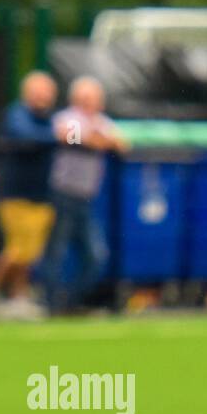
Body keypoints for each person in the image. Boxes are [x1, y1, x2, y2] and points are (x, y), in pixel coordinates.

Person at [0, 70, 57, 319]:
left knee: (31, 252)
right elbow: (27, 137)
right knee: (19, 248)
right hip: (16, 194)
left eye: (47, 92)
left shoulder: (51, 118)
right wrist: (58, 135)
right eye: (38, 91)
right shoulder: (17, 115)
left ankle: (18, 298)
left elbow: (71, 137)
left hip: (42, 195)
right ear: (26, 93)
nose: (43, 97)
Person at [43, 76, 128, 313]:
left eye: (93, 98)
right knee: (56, 251)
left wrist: (98, 139)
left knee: (95, 255)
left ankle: (71, 301)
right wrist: (95, 140)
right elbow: (69, 136)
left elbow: (121, 144)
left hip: (88, 198)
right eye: (84, 98)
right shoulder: (67, 117)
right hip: (63, 194)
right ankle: (51, 304)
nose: (89, 102)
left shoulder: (102, 121)